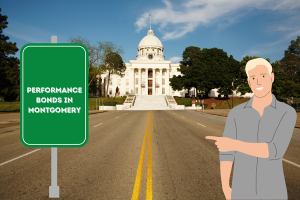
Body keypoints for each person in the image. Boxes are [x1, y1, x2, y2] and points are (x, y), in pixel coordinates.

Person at [206, 58, 297, 199]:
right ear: (249, 82)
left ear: (271, 77)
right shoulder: (235, 114)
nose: (258, 82)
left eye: (263, 76)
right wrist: (225, 186)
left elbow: (275, 150)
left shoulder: (287, 112)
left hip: (274, 192)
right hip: (241, 192)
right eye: (253, 77)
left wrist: (233, 144)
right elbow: (226, 154)